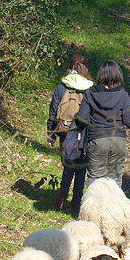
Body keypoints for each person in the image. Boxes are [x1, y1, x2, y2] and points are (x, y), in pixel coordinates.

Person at [75, 60, 130, 189]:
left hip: (96, 140)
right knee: (115, 181)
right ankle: (113, 208)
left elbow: (82, 119)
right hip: (118, 140)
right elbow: (129, 122)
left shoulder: (90, 94)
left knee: (94, 179)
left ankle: (93, 208)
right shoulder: (123, 95)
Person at [47, 54, 94, 215]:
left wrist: (50, 133)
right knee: (81, 168)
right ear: (85, 68)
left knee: (68, 164)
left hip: (64, 131)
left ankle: (64, 189)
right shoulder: (89, 88)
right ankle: (76, 204)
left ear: (70, 67)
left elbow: (53, 111)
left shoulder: (62, 86)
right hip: (83, 132)